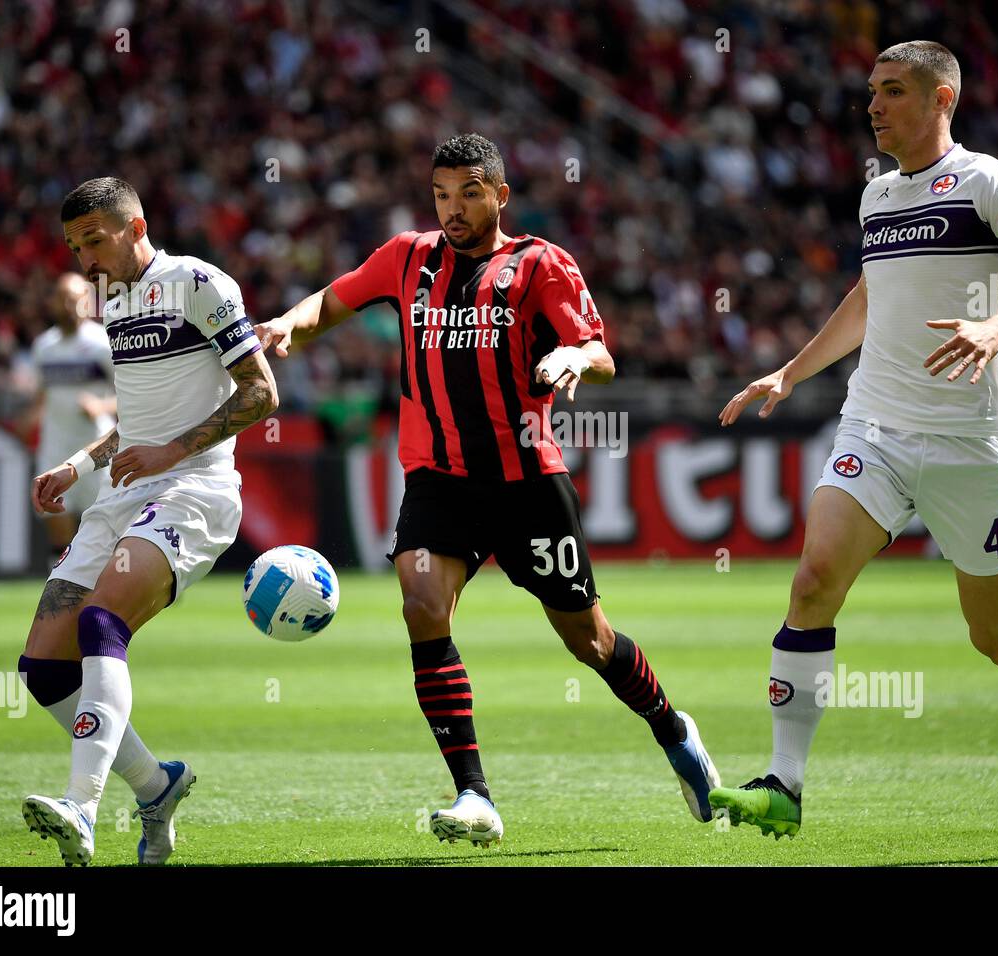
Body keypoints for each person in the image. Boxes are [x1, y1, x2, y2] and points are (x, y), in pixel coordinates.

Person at [710, 41, 998, 839]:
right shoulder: (877, 196)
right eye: (871, 91)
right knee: (812, 583)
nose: (873, 106)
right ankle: (785, 784)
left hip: (966, 439)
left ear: (942, 98)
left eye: (893, 91)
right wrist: (792, 373)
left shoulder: (989, 182)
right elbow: (868, 297)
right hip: (873, 422)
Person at [255, 133, 719, 847]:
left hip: (527, 483)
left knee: (589, 642)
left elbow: (598, 352)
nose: (453, 208)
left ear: (500, 195)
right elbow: (334, 299)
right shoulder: (405, 258)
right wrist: (291, 322)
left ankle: (671, 727)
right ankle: (474, 795)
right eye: (441, 194)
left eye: (469, 192)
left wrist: (571, 353)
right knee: (421, 604)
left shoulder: (540, 264)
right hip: (438, 480)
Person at [20, 177, 278, 865]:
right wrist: (78, 465)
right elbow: (134, 424)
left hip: (195, 489)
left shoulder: (197, 283)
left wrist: (173, 450)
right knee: (43, 667)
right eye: (75, 248)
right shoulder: (114, 302)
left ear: (134, 229)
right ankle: (156, 785)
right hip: (121, 493)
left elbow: (262, 392)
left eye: (95, 242)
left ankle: (81, 804)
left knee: (101, 622)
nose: (85, 262)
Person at [28, 272, 116, 568]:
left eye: (75, 299)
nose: (68, 305)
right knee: (57, 524)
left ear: (88, 302)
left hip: (96, 447)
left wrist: (101, 405)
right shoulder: (44, 346)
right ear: (53, 302)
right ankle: (61, 593)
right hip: (55, 446)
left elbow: (133, 395)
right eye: (63, 298)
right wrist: (29, 418)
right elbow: (43, 394)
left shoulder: (103, 343)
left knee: (104, 528)